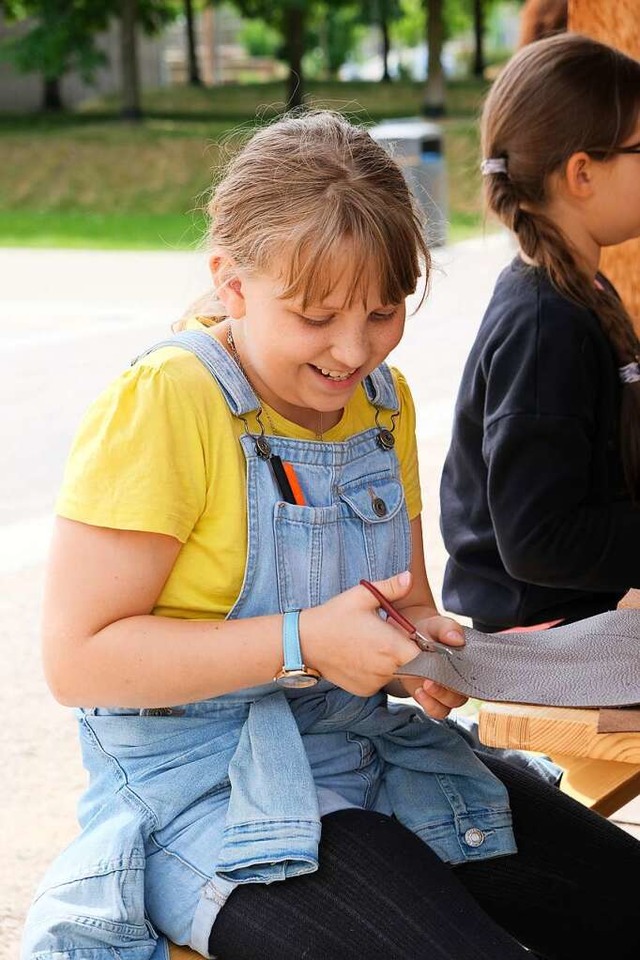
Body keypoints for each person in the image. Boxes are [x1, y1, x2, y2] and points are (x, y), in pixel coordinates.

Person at [23, 110, 640, 960]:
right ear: (231, 283)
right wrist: (304, 643)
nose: (353, 351)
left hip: (366, 750)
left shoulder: (383, 399)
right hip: (205, 792)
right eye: (316, 317)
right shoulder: (168, 399)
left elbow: (409, 604)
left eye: (384, 312)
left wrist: (429, 656)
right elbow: (79, 660)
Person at [440, 33, 640, 634]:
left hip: (585, 616)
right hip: (548, 641)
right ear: (582, 173)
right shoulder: (543, 326)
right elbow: (537, 540)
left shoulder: (580, 292)